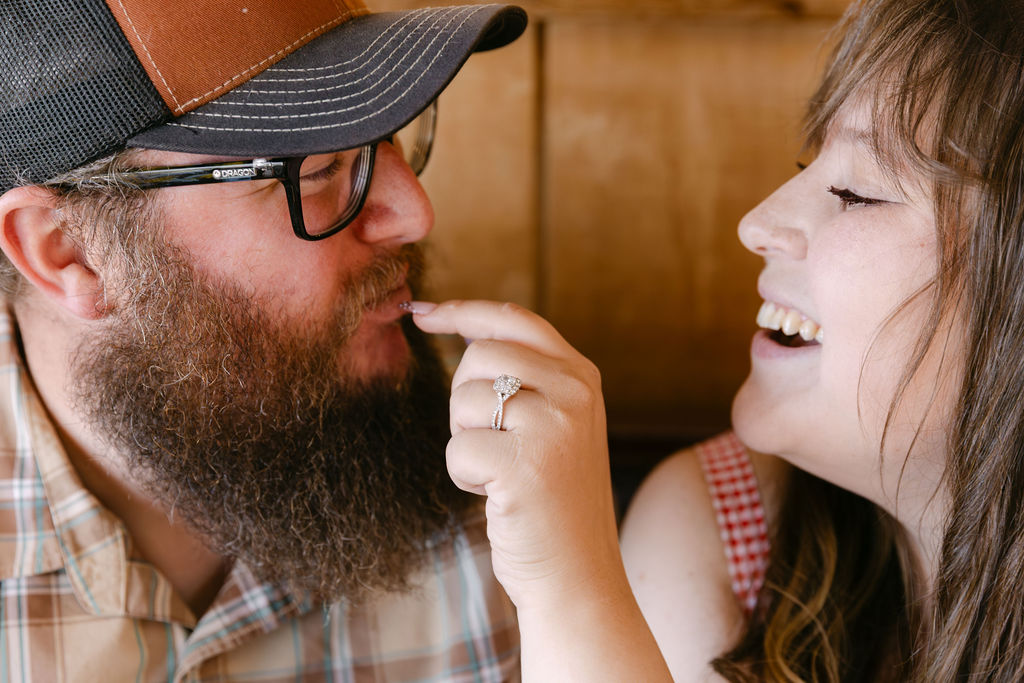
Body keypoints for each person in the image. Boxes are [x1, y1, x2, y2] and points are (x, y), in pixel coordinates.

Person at [408, 0, 1024, 680]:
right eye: (805, 165)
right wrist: (568, 581)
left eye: (855, 191)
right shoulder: (724, 534)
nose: (757, 222)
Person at [0, 1, 527, 680]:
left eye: (392, 135)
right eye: (315, 170)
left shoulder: (506, 472)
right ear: (70, 252)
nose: (413, 212)